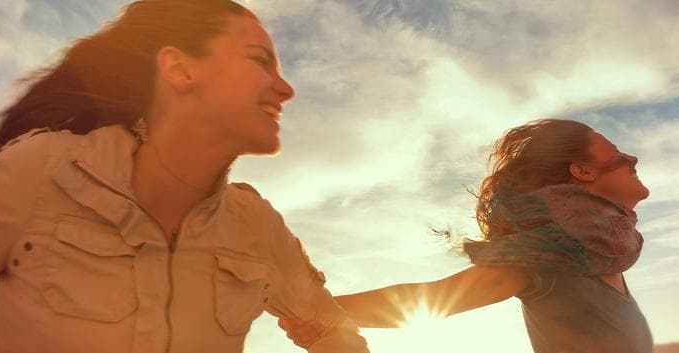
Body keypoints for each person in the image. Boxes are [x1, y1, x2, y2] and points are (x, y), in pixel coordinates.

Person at [0, 0, 368, 353]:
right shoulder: (47, 169)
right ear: (178, 68)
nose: (286, 89)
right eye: (259, 60)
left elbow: (335, 334)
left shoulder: (257, 226)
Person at [280, 119, 653, 353]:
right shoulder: (544, 261)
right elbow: (430, 300)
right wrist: (307, 307)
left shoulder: (604, 252)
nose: (632, 159)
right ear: (584, 171)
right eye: (618, 153)